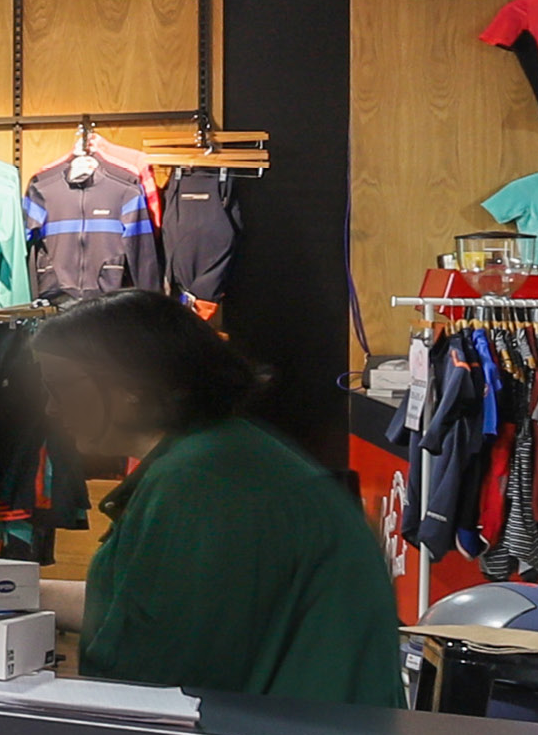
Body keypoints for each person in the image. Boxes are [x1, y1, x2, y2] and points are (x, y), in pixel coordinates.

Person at [25, 294, 405, 707]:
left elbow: (155, 668)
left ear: (130, 386)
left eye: (59, 387)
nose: (51, 408)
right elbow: (131, 607)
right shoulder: (218, 454)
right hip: (311, 732)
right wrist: (2, 591)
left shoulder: (202, 482)